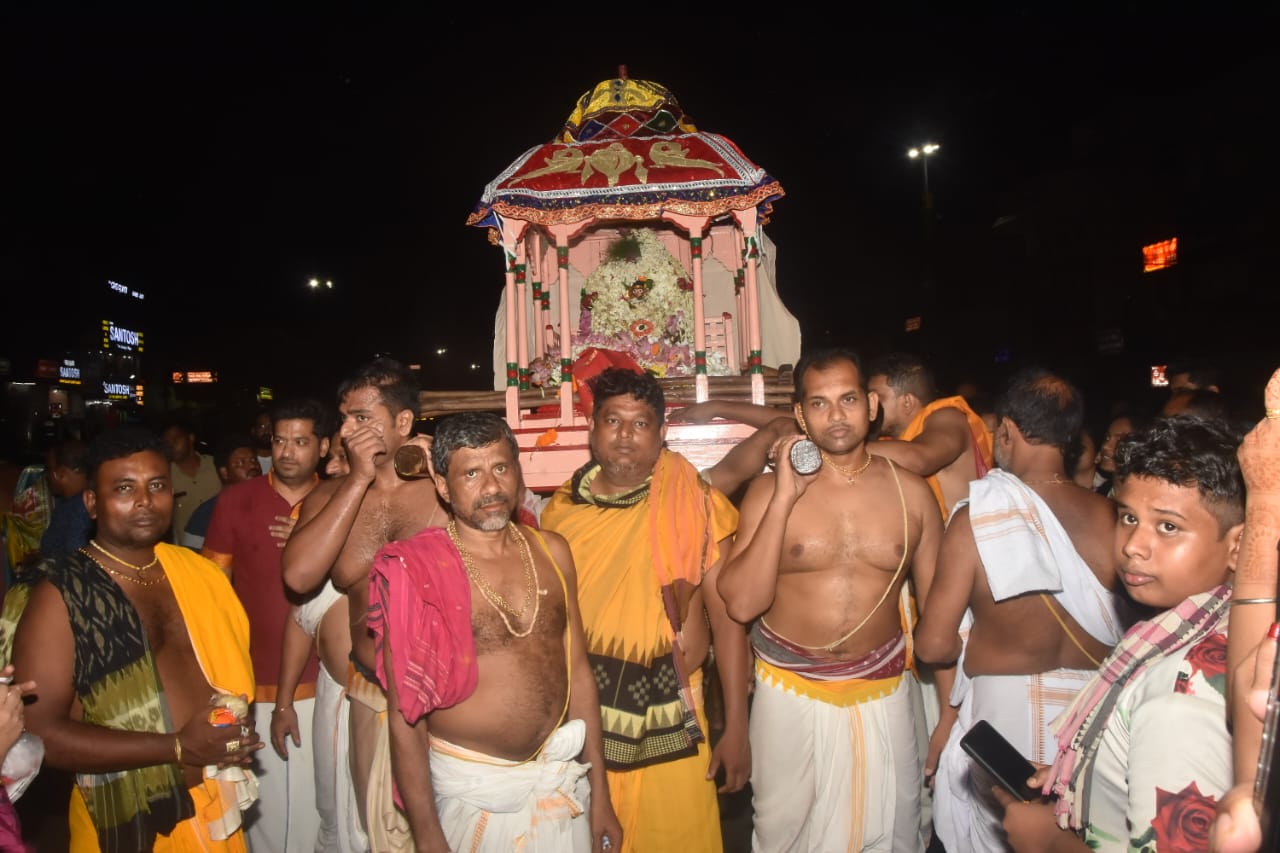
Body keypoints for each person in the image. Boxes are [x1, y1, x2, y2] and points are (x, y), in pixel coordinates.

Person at [720, 348, 942, 851]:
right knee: (784, 833)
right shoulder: (765, 493)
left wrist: (948, 713)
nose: (835, 415)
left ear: (871, 405)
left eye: (848, 399)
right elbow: (741, 605)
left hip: (885, 690)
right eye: (819, 404)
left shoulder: (912, 493)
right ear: (800, 415)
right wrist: (784, 497)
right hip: (788, 691)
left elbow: (937, 619)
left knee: (891, 828)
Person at [370, 412, 622, 850]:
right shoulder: (419, 572)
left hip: (558, 779)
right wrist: (427, 834)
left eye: (501, 467)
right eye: (471, 473)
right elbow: (405, 715)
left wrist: (601, 793)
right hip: (471, 791)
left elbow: (579, 674)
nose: (491, 487)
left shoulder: (553, 552)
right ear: (443, 485)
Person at [996, 415, 1245, 852]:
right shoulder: (1187, 632)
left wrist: (1050, 843)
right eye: (1129, 517)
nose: (1133, 545)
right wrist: (1087, 775)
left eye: (1168, 526)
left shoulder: (1180, 700)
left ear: (1239, 546)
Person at [10, 426, 262, 851]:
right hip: (126, 821)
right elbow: (38, 733)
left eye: (157, 485)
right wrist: (178, 748)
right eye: (124, 488)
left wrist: (229, 735)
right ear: (92, 502)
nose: (145, 500)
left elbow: (223, 678)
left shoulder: (199, 573)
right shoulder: (62, 595)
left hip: (215, 804)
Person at [915, 367, 1127, 853]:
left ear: (1006, 431)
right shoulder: (1117, 519)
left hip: (1001, 725)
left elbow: (933, 645)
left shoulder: (978, 518)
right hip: (1090, 725)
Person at [541, 367, 750, 853]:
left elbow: (728, 622)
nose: (625, 435)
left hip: (675, 716)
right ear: (592, 427)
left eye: (640, 424)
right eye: (613, 421)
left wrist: (737, 726)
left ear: (661, 433)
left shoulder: (694, 502)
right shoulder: (561, 512)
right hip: (585, 718)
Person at [282, 358, 444, 851]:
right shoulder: (329, 497)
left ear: (403, 422)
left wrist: (444, 465)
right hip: (370, 695)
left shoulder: (444, 488)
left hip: (447, 700)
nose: (347, 431)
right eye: (344, 419)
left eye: (362, 418)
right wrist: (356, 480)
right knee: (379, 836)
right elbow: (298, 577)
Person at [202, 400, 331, 852]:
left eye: (300, 441)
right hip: (252, 679)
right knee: (262, 808)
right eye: (279, 441)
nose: (287, 452)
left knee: (322, 805)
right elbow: (212, 592)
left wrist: (309, 541)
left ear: (323, 447)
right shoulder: (237, 501)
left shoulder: (339, 501)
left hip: (326, 679)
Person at [272, 434, 366, 853]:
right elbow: (299, 623)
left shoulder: (399, 527)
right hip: (334, 696)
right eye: (334, 459)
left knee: (381, 819)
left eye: (343, 458)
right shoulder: (315, 545)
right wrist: (283, 704)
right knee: (332, 814)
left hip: (386, 704)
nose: (331, 467)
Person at [865, 352, 994, 519]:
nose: (869, 405)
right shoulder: (885, 443)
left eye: (877, 398)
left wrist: (844, 448)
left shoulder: (948, 416)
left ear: (907, 402)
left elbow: (918, 459)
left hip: (963, 533)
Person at [181, 434, 261, 550]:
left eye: (254, 460)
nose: (252, 466)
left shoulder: (268, 504)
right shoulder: (205, 515)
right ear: (225, 473)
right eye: (241, 463)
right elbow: (190, 558)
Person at [161, 416, 221, 545]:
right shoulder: (165, 475)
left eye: (176, 439)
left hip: (220, 542)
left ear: (191, 438)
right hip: (188, 548)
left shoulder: (216, 465)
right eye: (167, 443)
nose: (171, 446)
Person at [39, 438, 92, 561]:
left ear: (60, 473)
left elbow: (77, 561)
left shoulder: (78, 510)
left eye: (48, 469)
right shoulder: (73, 504)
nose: (46, 476)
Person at [251, 410, 275, 474]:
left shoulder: (283, 458)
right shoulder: (248, 461)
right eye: (262, 426)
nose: (267, 431)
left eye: (270, 427)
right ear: (253, 430)